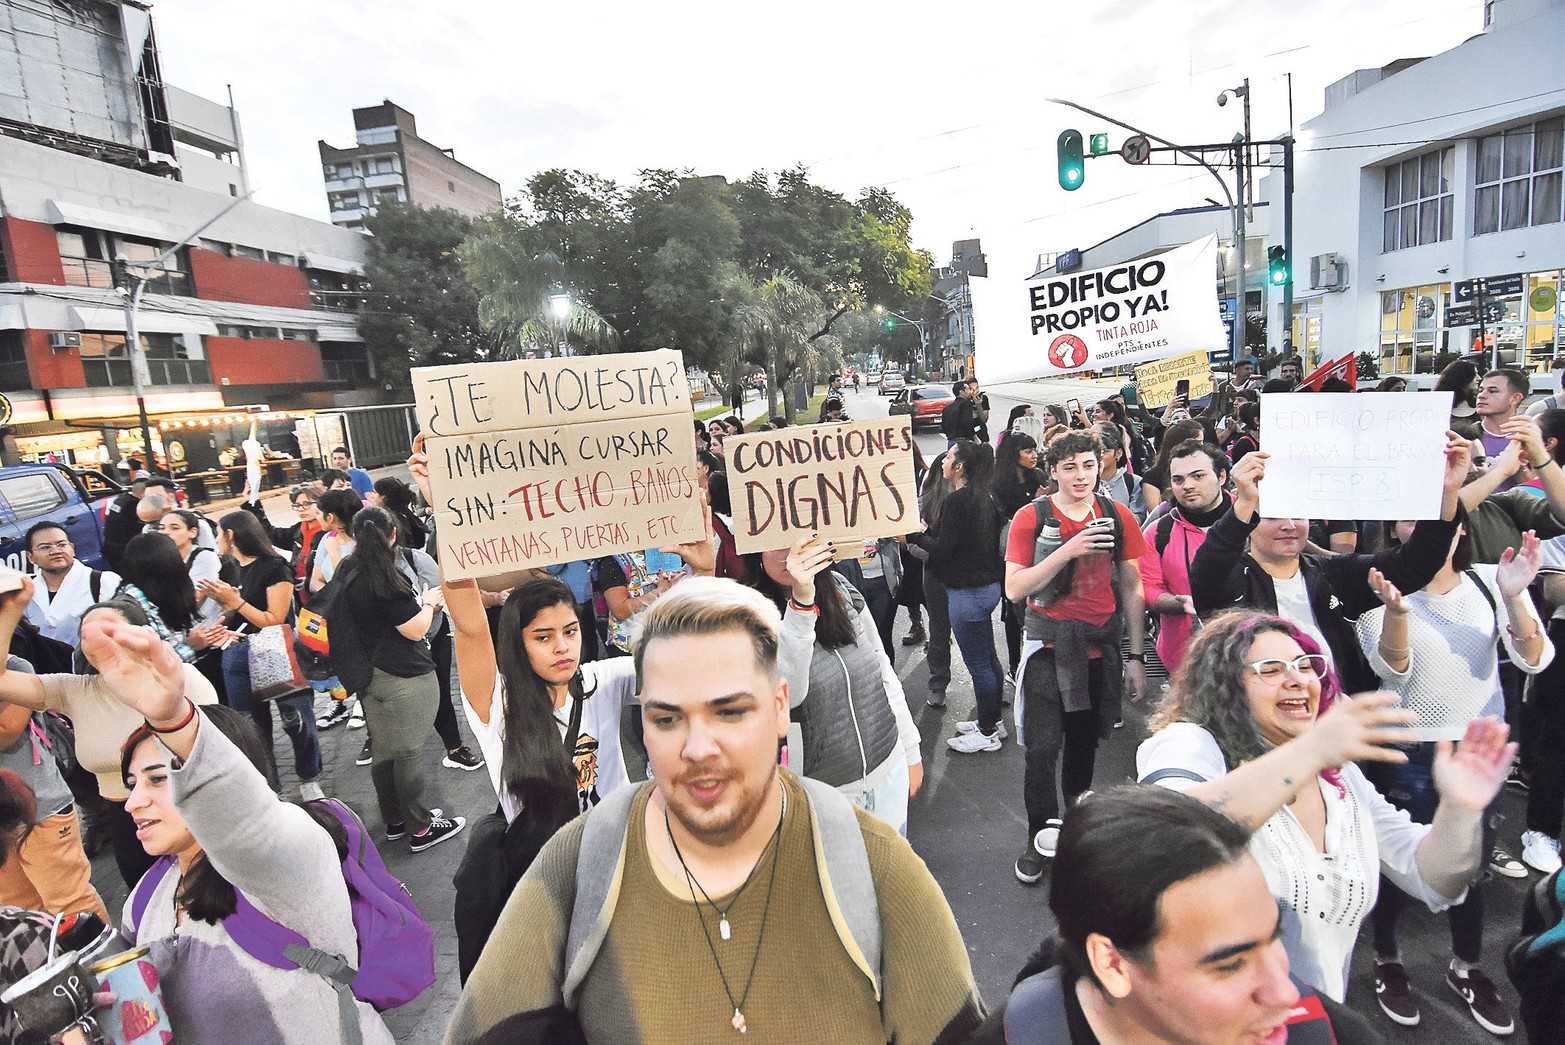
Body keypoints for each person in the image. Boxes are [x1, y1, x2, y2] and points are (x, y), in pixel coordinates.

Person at [444, 578, 984, 1044]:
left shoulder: (873, 863)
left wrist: (702, 568)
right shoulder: (570, 870)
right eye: (667, 719)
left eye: (729, 711)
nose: (699, 748)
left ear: (778, 707)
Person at [1136, 610, 1514, 1001]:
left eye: (1306, 665)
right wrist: (1313, 749)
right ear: (1225, 687)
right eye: (1270, 669)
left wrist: (1461, 807)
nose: (1297, 678)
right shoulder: (1190, 742)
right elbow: (1166, 833)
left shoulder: (1340, 776)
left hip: (1312, 1019)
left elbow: (1433, 876)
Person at [104, 628, 394, 1044]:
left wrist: (175, 721)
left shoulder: (289, 865)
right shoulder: (146, 899)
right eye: (132, 784)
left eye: (158, 780)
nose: (134, 802)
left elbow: (246, 822)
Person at [973, 787, 1380, 1045]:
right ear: (1112, 964)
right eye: (1231, 964)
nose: (1287, 994)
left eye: (1274, 939)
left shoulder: (1322, 1030)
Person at [1353, 527, 1548, 1032]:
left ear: (1461, 525)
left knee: (1473, 864)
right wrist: (1396, 612)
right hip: (1408, 748)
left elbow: (1535, 657)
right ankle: (1388, 959)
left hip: (1479, 752)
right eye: (1411, 518)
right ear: (1395, 528)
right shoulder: (1375, 585)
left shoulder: (1489, 582)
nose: (1424, 530)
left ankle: (1467, 966)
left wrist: (1514, 595)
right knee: (1399, 861)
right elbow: (1393, 670)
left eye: (1437, 518)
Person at [1188, 442, 1464, 694]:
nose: (1288, 525)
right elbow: (1206, 573)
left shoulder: (1334, 573)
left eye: (1298, 514)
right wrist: (1245, 502)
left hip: (1337, 727)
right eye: (1271, 516)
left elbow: (1415, 564)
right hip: (1258, 730)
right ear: (1249, 523)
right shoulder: (1234, 579)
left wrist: (1448, 494)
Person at [0, 584, 218, 888]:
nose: (100, 639)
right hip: (124, 818)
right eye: (88, 633)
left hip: (190, 809)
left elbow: (221, 748)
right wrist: (11, 613)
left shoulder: (178, 680)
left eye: (111, 630)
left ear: (142, 634)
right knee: (150, 911)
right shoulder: (75, 690)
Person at [1005, 430, 1148, 884]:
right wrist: (1070, 549)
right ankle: (1038, 837)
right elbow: (1014, 588)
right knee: (1043, 749)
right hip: (1047, 647)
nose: (1081, 475)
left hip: (1098, 648)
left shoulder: (1117, 515)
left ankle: (1075, 831)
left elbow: (1132, 587)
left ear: (1099, 464)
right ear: (1053, 472)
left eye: (1088, 464)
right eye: (1069, 467)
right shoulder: (1032, 517)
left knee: (1084, 749)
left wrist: (1136, 655)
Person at [760, 535, 921, 833]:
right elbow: (789, 693)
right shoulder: (751, 614)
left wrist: (910, 751)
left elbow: (882, 668)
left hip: (888, 772)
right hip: (823, 799)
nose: (791, 551)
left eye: (799, 538)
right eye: (776, 540)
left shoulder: (840, 588)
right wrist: (802, 602)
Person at [199, 511, 325, 803]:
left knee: (296, 719)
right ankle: (269, 786)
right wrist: (223, 618)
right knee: (250, 728)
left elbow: (274, 619)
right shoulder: (229, 568)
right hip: (236, 652)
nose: (216, 540)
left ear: (231, 535)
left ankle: (309, 778)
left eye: (219, 534)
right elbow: (235, 614)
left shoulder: (274, 567)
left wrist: (235, 602)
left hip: (275, 648)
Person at [909, 441, 1008, 753]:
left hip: (967, 593)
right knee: (988, 657)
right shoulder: (986, 496)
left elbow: (942, 548)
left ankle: (988, 731)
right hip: (987, 588)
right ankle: (992, 720)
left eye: (949, 457)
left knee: (979, 664)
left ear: (960, 466)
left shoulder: (958, 501)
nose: (942, 461)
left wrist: (911, 535)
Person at [0, 655, 109, 923]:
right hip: (6, 820)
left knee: (69, 903)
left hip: (40, 809)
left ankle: (110, 963)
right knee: (19, 912)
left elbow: (8, 731)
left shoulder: (14, 668)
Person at [1139, 441, 1231, 677]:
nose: (1187, 486)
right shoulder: (1159, 532)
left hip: (1253, 659)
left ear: (1221, 476)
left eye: (1198, 476)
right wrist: (1181, 604)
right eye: (1178, 479)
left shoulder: (1253, 522)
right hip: (1184, 666)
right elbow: (1148, 589)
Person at [993, 431, 1047, 681]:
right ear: (1014, 454)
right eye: (1027, 451)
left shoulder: (1038, 476)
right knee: (1013, 613)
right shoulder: (999, 484)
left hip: (1041, 554)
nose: (1033, 455)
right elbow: (999, 522)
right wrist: (1031, 506)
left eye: (1035, 450)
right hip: (1011, 556)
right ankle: (1015, 665)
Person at [22, 523, 118, 646]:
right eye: (45, 547)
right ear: (30, 557)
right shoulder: (25, 590)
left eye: (62, 545)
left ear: (72, 548)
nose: (55, 551)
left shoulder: (103, 582)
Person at [1474, 369, 1530, 492]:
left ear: (1515, 398)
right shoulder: (1466, 435)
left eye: (1493, 391)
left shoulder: (1529, 438)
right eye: (1480, 390)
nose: (1482, 395)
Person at [310, 489, 363, 594]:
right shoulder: (327, 538)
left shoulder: (363, 541)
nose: (317, 518)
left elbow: (349, 585)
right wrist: (332, 598)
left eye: (318, 513)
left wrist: (334, 554)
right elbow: (315, 581)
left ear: (330, 518)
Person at [1092, 423, 1148, 523]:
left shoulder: (1133, 482)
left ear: (1118, 453)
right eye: (1095, 452)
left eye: (1104, 451)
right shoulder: (1087, 482)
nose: (1099, 456)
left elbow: (1138, 517)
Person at [376, 476, 429, 552]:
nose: (373, 496)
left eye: (375, 492)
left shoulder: (388, 518)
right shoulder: (404, 512)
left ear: (383, 497)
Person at [1437, 359, 1482, 437]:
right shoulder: (1438, 408)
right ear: (1462, 377)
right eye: (1474, 374)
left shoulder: (1481, 405)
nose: (1479, 378)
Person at [940, 380, 981, 447]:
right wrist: (975, 437)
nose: (970, 392)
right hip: (963, 441)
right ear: (961, 392)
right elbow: (967, 422)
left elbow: (943, 427)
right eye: (968, 389)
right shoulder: (966, 405)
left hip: (951, 441)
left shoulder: (947, 408)